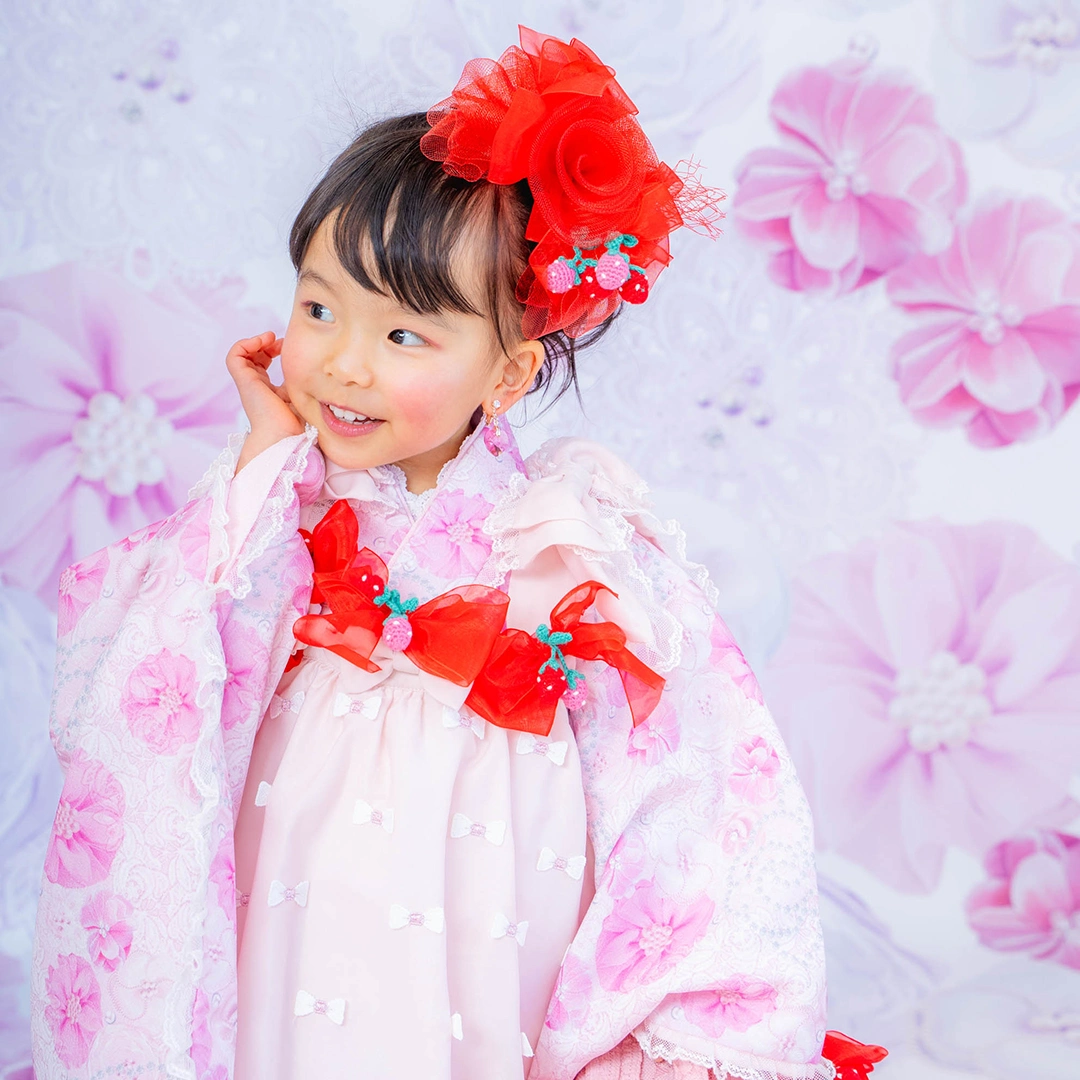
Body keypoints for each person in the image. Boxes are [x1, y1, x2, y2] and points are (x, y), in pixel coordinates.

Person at [31, 27, 884, 1080]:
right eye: (318, 307)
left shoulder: (565, 548)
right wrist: (263, 467)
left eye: (404, 335)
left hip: (488, 923)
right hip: (290, 890)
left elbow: (694, 781)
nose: (342, 363)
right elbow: (144, 690)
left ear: (508, 373)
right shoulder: (268, 514)